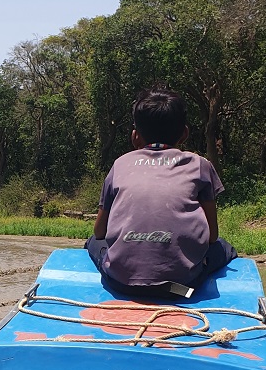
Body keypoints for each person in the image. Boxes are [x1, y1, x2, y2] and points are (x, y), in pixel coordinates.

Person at [85, 87, 237, 298]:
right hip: (181, 286)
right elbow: (212, 236)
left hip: (121, 283)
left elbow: (100, 231)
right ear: (184, 133)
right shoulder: (200, 165)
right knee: (223, 248)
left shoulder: (120, 165)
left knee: (93, 242)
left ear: (135, 137)